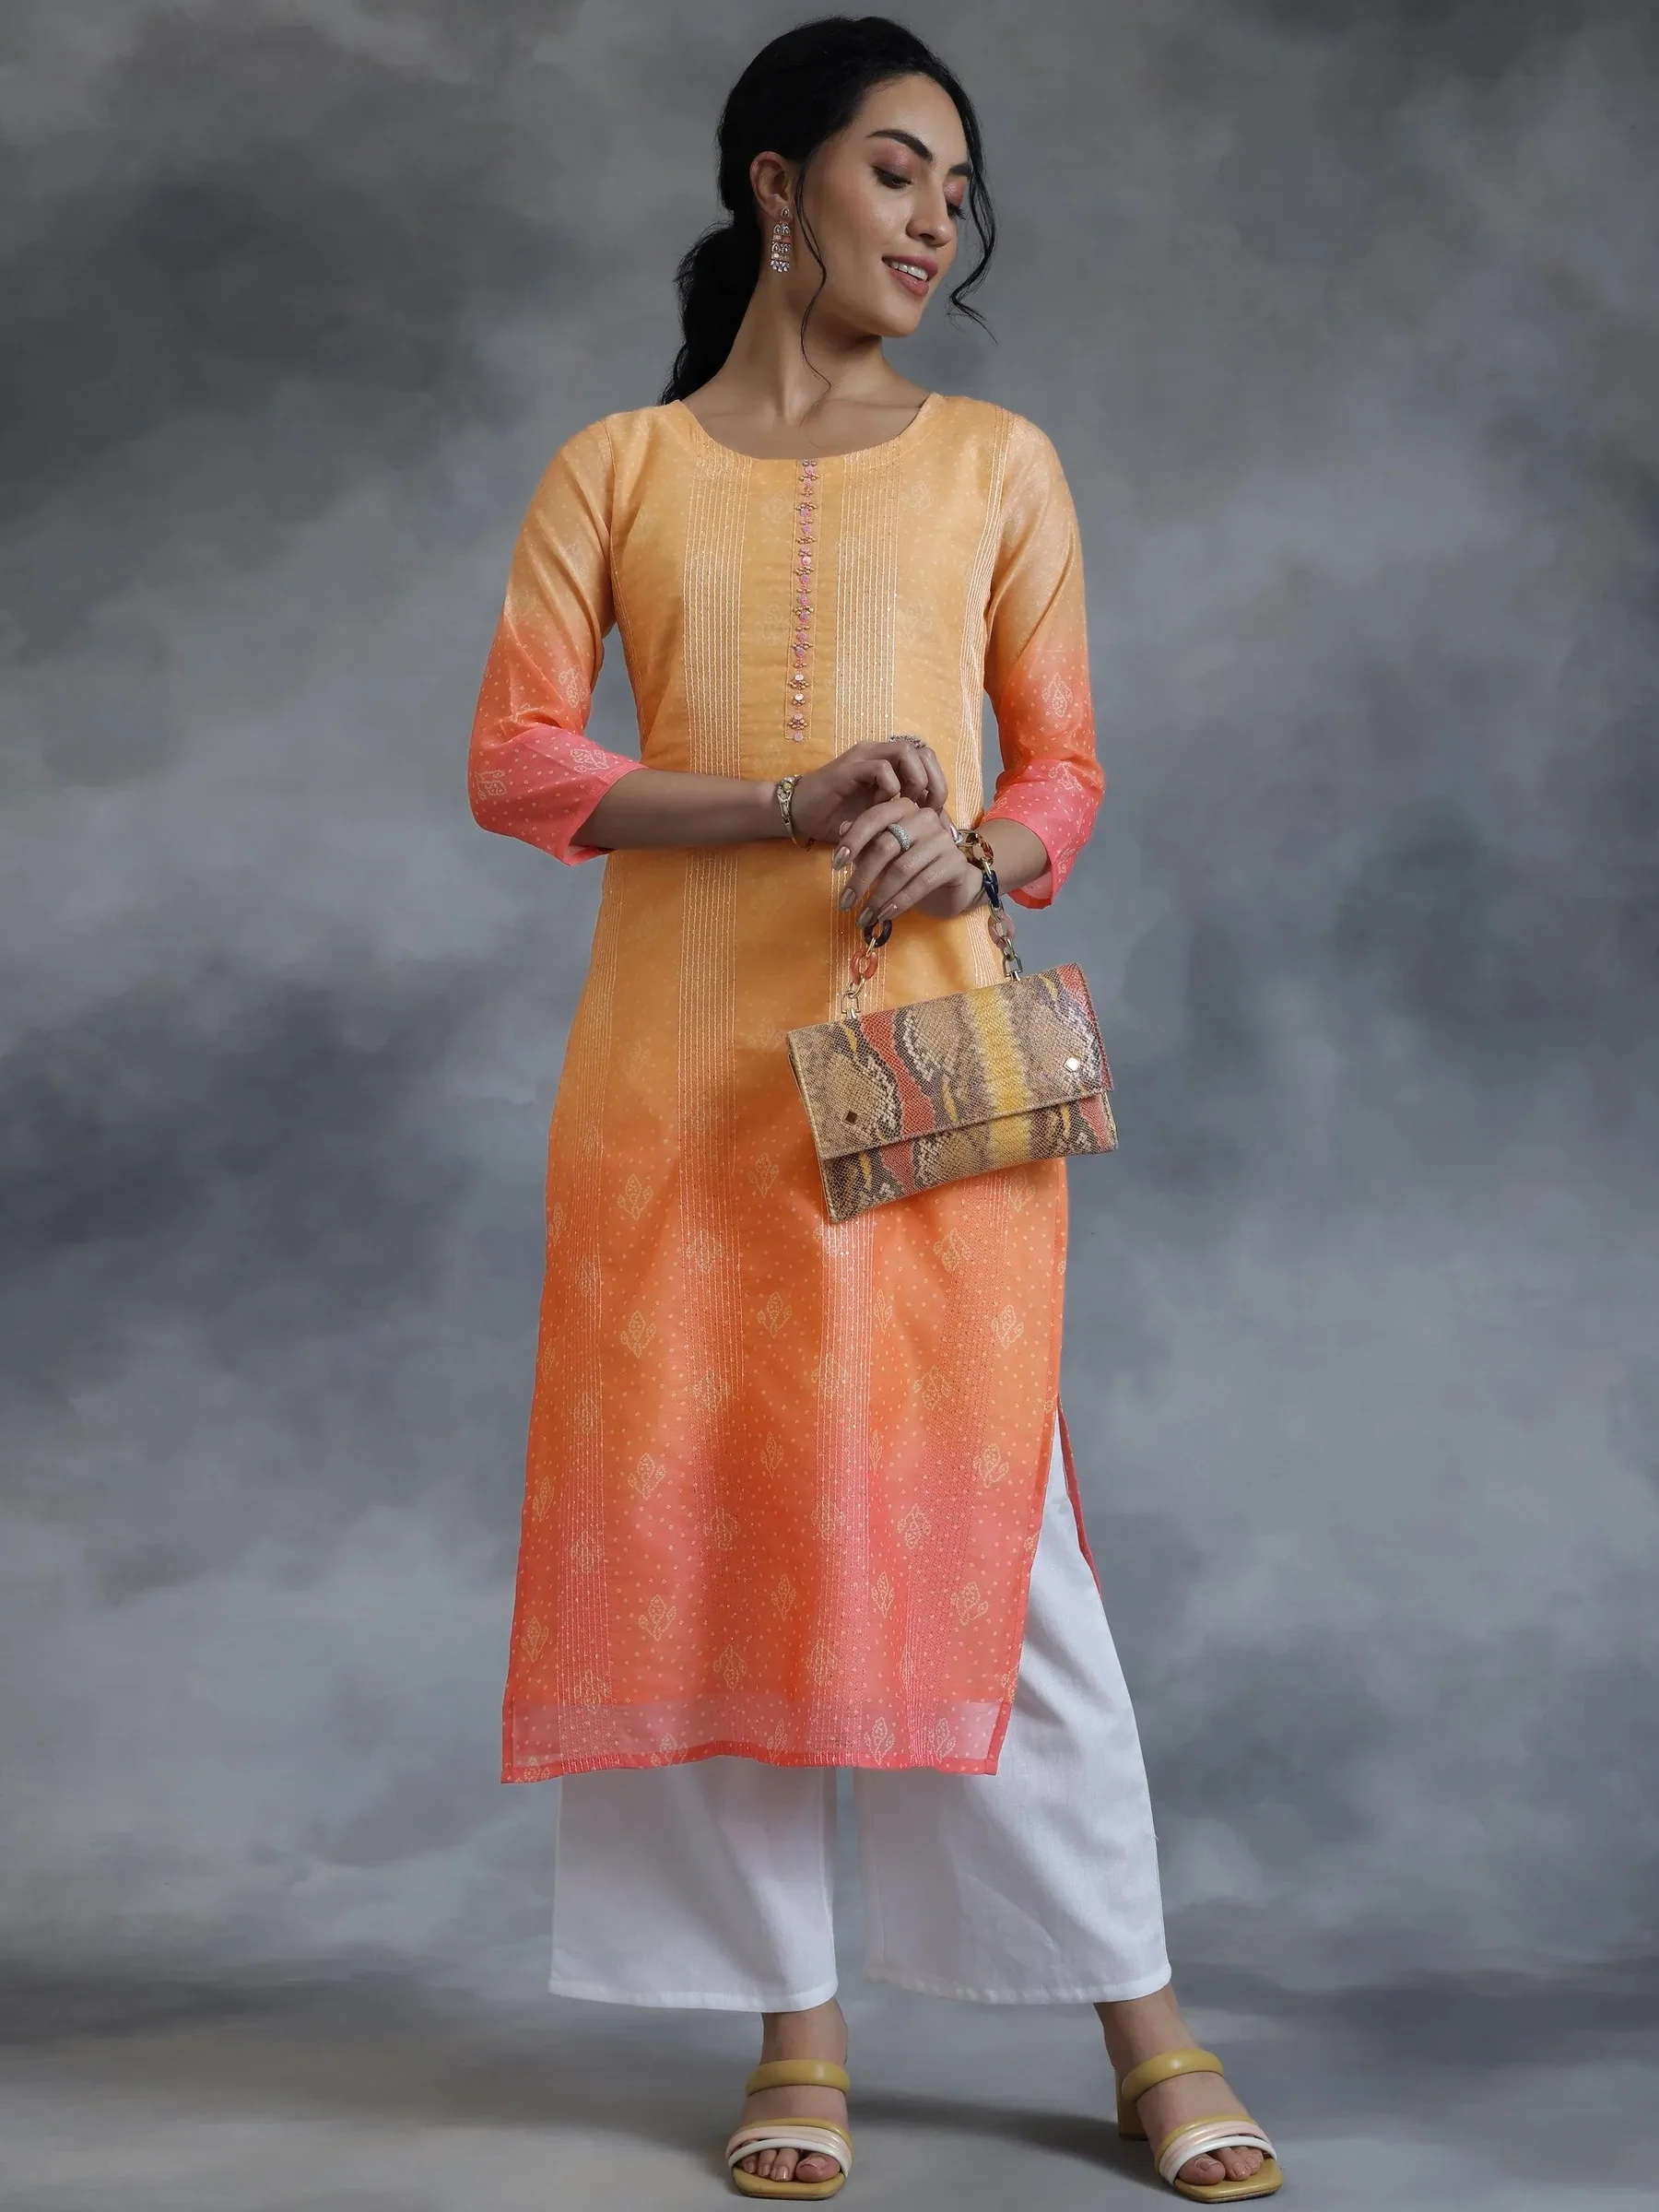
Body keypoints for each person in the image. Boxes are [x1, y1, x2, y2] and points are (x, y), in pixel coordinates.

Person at [467, 16, 1281, 2205]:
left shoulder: (1000, 462)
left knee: (1004, 1548)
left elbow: (1063, 768)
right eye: (898, 170)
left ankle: (1145, 2020)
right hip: (670, 1092)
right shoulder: (614, 471)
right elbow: (520, 762)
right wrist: (784, 799)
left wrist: (978, 852)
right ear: (774, 182)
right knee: (715, 1537)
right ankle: (794, 2035)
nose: (938, 221)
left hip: (920, 1070)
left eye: (958, 191)